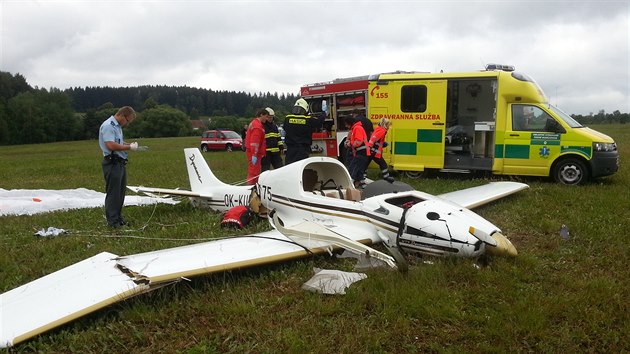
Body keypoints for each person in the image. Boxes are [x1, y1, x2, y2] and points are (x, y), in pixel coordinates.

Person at [99, 106, 144, 228]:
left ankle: (118, 219)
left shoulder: (117, 127)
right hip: (112, 163)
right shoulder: (109, 125)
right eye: (128, 120)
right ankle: (113, 222)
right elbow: (111, 145)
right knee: (113, 193)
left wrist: (130, 145)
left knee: (120, 193)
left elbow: (118, 142)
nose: (127, 124)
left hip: (119, 162)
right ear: (122, 115)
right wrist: (128, 148)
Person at [284, 98, 323, 164]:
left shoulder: (287, 118)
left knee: (290, 167)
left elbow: (285, 128)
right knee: (301, 167)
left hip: (290, 149)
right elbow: (319, 122)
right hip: (302, 149)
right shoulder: (308, 119)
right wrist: (324, 113)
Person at [245, 108, 271, 184]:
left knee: (254, 171)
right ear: (261, 115)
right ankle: (251, 188)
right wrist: (254, 154)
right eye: (266, 116)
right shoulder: (257, 127)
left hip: (253, 152)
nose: (266, 119)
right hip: (254, 153)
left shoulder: (254, 123)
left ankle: (252, 187)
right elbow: (255, 142)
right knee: (254, 173)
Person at [344, 115, 370, 189]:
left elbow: (358, 141)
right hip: (363, 153)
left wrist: (350, 144)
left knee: (353, 169)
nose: (346, 126)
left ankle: (349, 186)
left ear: (350, 123)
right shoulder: (356, 128)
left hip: (361, 153)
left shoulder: (357, 128)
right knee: (359, 171)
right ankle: (363, 187)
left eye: (346, 124)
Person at [367, 118, 395, 183]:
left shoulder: (379, 129)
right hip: (374, 152)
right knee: (383, 164)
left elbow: (376, 140)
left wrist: (383, 144)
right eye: (388, 124)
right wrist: (370, 148)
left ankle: (361, 178)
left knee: (365, 165)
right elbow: (373, 139)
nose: (389, 126)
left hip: (372, 151)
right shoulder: (382, 131)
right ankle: (386, 177)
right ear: (385, 124)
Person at [261, 107, 284, 172]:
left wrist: (281, 147)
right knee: (265, 171)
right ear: (265, 116)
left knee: (280, 169)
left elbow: (278, 137)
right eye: (269, 117)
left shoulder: (274, 126)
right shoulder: (261, 126)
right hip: (266, 152)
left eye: (271, 117)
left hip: (276, 152)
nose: (270, 119)